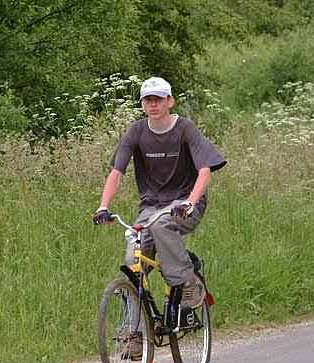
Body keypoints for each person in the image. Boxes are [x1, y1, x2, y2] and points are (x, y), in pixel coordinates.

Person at [93, 76, 226, 309]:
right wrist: (103, 207)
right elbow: (116, 172)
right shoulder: (136, 131)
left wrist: (190, 203)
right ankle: (136, 326)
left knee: (162, 224)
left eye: (158, 99)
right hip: (151, 206)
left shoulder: (185, 129)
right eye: (148, 100)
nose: (153, 104)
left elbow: (205, 170)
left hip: (186, 202)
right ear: (142, 104)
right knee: (133, 261)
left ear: (170, 101)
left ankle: (188, 282)